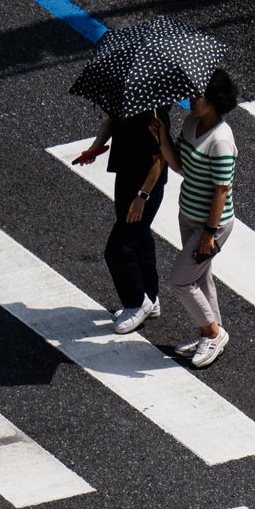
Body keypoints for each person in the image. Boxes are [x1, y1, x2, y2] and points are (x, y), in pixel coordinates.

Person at [150, 69, 238, 368]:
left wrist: (210, 232)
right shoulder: (191, 123)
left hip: (211, 224)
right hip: (187, 214)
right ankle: (211, 334)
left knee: (180, 281)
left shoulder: (221, 141)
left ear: (213, 101)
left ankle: (212, 332)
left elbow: (221, 190)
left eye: (196, 96)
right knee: (200, 276)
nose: (190, 100)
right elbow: (179, 165)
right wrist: (162, 134)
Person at [73, 109, 170, 334]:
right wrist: (95, 148)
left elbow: (160, 158)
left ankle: (137, 302)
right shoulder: (129, 99)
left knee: (117, 250)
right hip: (126, 176)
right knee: (140, 239)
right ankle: (151, 297)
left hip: (145, 189)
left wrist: (142, 197)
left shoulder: (154, 113)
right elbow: (112, 120)